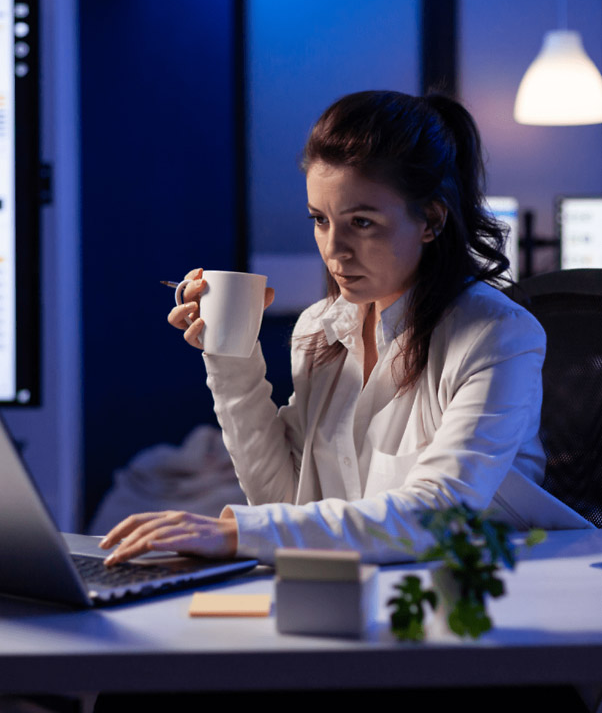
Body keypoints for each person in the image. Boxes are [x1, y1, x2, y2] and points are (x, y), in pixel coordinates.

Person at [100, 90, 591, 567]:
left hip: (490, 599)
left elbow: (440, 512)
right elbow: (284, 501)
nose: (334, 250)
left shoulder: (498, 334)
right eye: (320, 219)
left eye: (361, 222)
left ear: (431, 219)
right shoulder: (322, 327)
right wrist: (230, 356)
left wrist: (237, 533)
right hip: (364, 590)